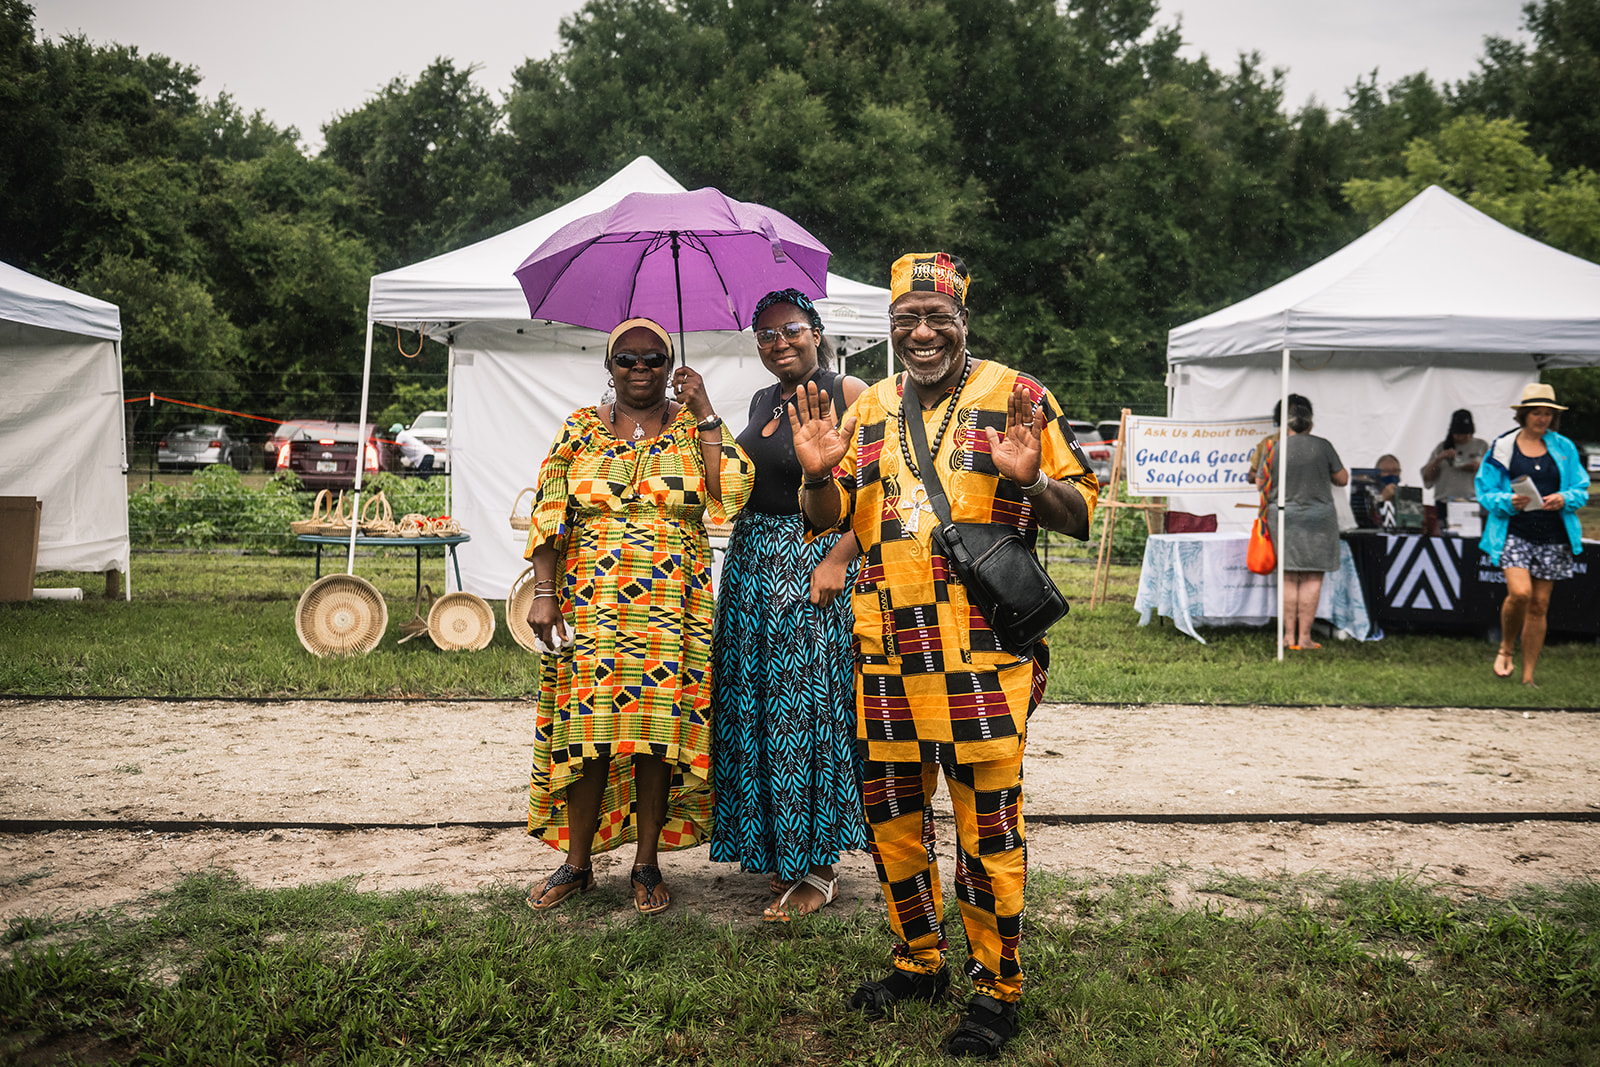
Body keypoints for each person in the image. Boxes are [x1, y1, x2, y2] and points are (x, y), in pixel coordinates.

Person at [790, 253, 1098, 1058]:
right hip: (886, 649)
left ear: (963, 320)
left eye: (938, 319)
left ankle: (996, 990)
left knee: (986, 829)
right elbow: (832, 518)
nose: (922, 334)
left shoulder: (1018, 395)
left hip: (983, 655)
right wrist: (816, 474)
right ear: (891, 328)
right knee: (892, 819)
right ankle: (917, 960)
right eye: (907, 321)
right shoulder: (870, 407)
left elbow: (1081, 513)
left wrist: (1031, 485)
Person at [521, 318, 753, 914]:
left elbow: (730, 492)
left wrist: (702, 408)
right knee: (588, 734)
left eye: (654, 358)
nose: (641, 369)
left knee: (658, 738)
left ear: (668, 362)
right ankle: (577, 865)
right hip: (593, 602)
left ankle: (646, 864)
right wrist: (545, 591)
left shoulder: (690, 429)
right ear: (610, 366)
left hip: (674, 606)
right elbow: (550, 512)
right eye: (627, 359)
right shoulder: (578, 429)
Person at [710, 289, 869, 921]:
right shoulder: (761, 400)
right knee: (754, 704)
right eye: (766, 334)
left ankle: (819, 864)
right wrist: (700, 412)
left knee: (807, 709)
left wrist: (840, 556)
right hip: (751, 563)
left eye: (791, 330)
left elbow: (883, 491)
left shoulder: (852, 391)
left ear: (818, 331)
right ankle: (777, 847)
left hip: (810, 557)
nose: (779, 342)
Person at [1476, 384, 1589, 686]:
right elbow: (1485, 492)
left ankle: (1528, 678)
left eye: (1548, 413)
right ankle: (1506, 647)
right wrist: (1506, 501)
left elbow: (1581, 489)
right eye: (1537, 412)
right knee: (1521, 594)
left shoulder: (1564, 447)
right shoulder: (1502, 447)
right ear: (1524, 415)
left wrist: (1565, 498)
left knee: (1539, 604)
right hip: (1513, 531)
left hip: (1553, 534)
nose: (1542, 418)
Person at [1267, 396, 1349, 651]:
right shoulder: (1324, 446)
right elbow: (1342, 478)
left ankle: (1287, 637)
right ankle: (1304, 638)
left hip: (1284, 515)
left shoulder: (1276, 447)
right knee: (1313, 576)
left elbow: (1261, 482)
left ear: (1287, 424)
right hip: (1319, 518)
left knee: (1289, 576)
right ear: (1311, 424)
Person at [1421, 409, 1487, 535]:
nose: (1462, 437)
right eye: (1459, 434)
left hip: (1472, 502)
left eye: (1466, 434)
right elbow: (1427, 478)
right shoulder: (1442, 447)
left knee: (1471, 539)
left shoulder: (1481, 446)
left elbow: (1493, 475)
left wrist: (1479, 467)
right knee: (1444, 539)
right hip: (1445, 504)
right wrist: (1440, 458)